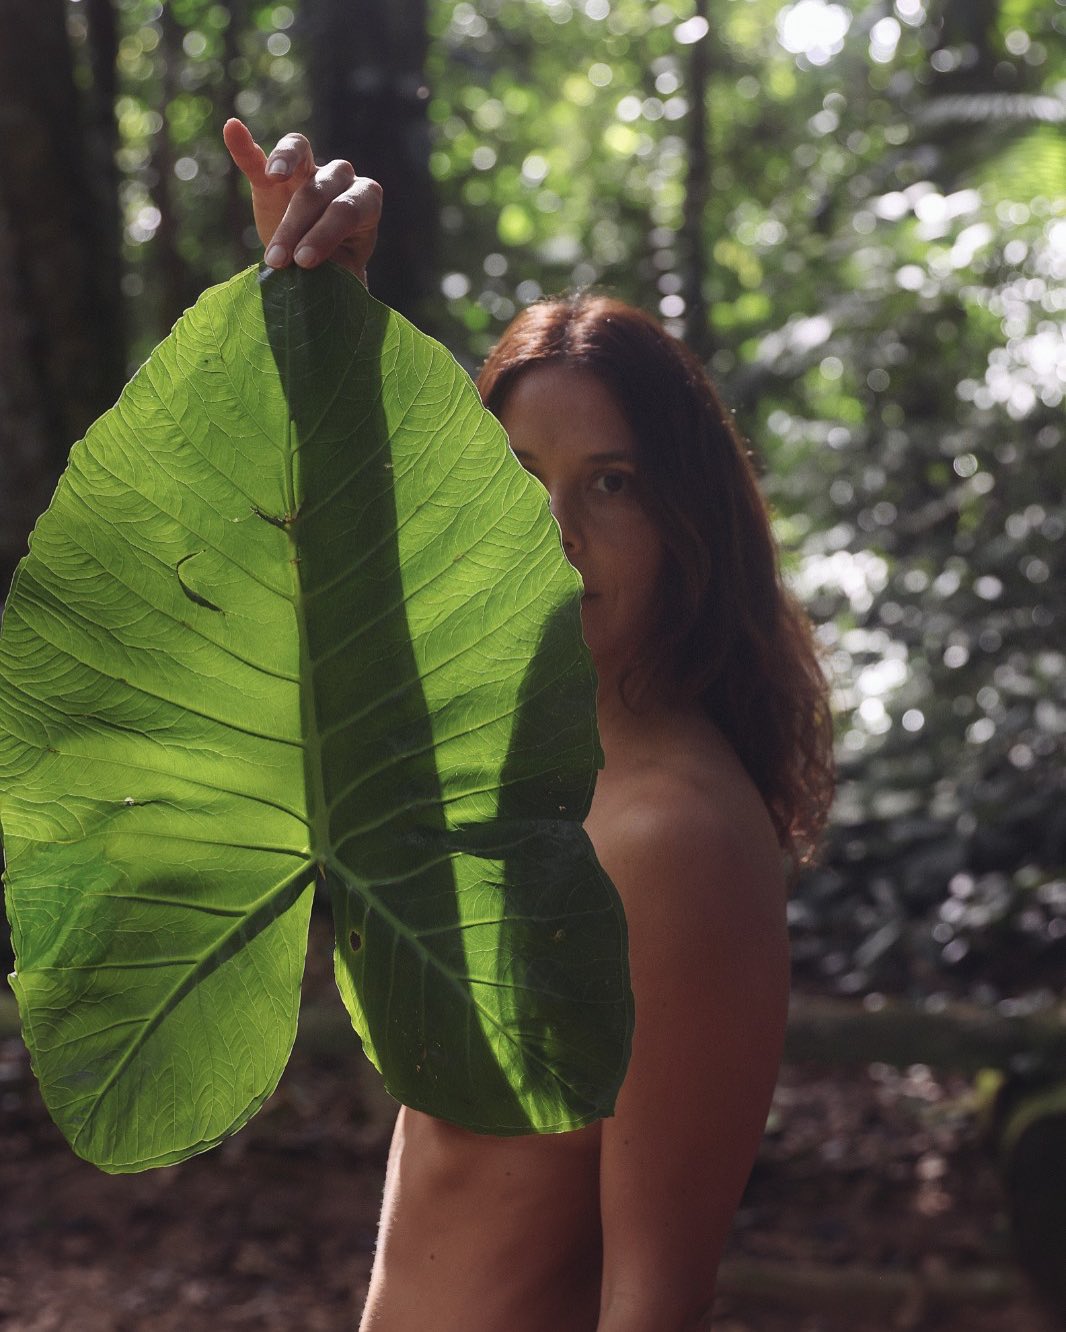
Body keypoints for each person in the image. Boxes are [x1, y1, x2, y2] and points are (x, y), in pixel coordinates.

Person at [223, 118, 835, 1332]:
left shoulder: (669, 839)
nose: (552, 532)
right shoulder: (521, 759)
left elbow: (654, 1296)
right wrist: (320, 303)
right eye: (515, 479)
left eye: (609, 484)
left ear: (684, 518)